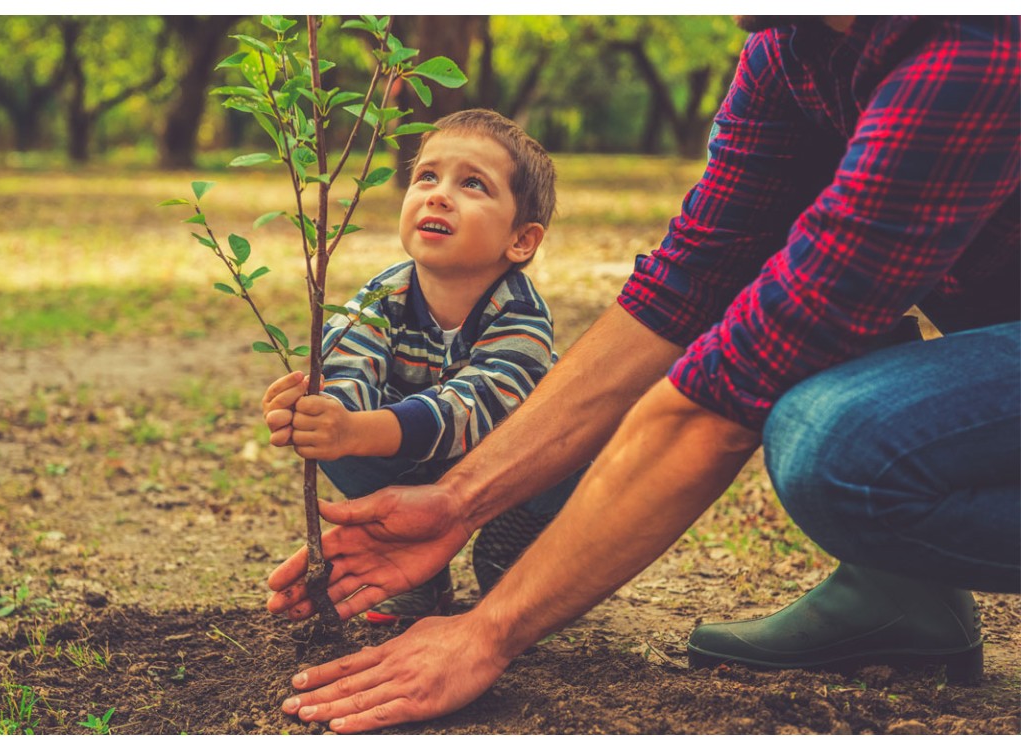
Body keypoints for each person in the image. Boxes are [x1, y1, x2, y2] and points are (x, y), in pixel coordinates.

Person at [263, 16, 1020, 732]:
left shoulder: (971, 43)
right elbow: (687, 285)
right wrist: (456, 503)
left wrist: (488, 631)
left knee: (836, 444)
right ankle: (901, 594)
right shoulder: (791, 49)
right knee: (795, 300)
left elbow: (728, 392)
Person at [261, 109, 584, 625]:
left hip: (506, 467)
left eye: (473, 184)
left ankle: (519, 541)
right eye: (426, 177)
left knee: (576, 449)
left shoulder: (522, 314)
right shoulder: (383, 296)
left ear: (520, 239)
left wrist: (364, 428)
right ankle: (420, 571)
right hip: (411, 460)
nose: (438, 194)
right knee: (339, 442)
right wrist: (322, 414)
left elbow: (476, 408)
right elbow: (349, 366)